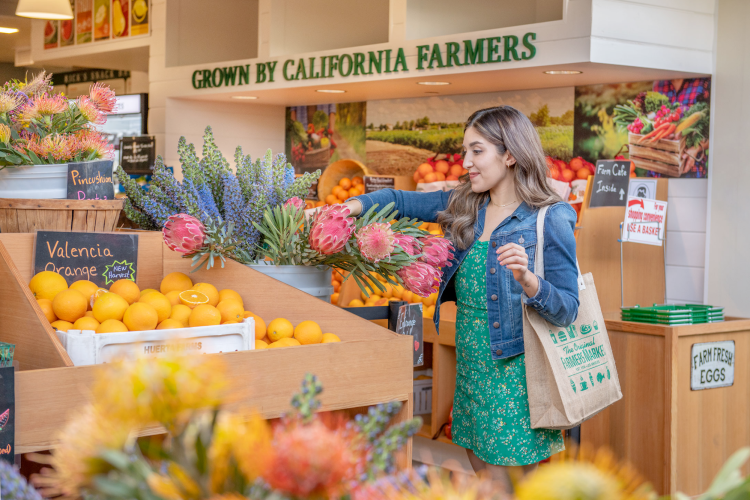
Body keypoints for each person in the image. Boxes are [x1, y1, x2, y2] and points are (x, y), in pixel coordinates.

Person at [337, 106, 580, 492]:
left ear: (510, 154)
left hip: (514, 372)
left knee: (502, 482)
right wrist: (350, 208)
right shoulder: (469, 204)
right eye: (465, 150)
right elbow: (402, 200)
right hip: (472, 362)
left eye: (477, 151)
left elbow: (568, 308)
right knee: (479, 468)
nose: (466, 162)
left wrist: (530, 280)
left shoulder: (549, 216)